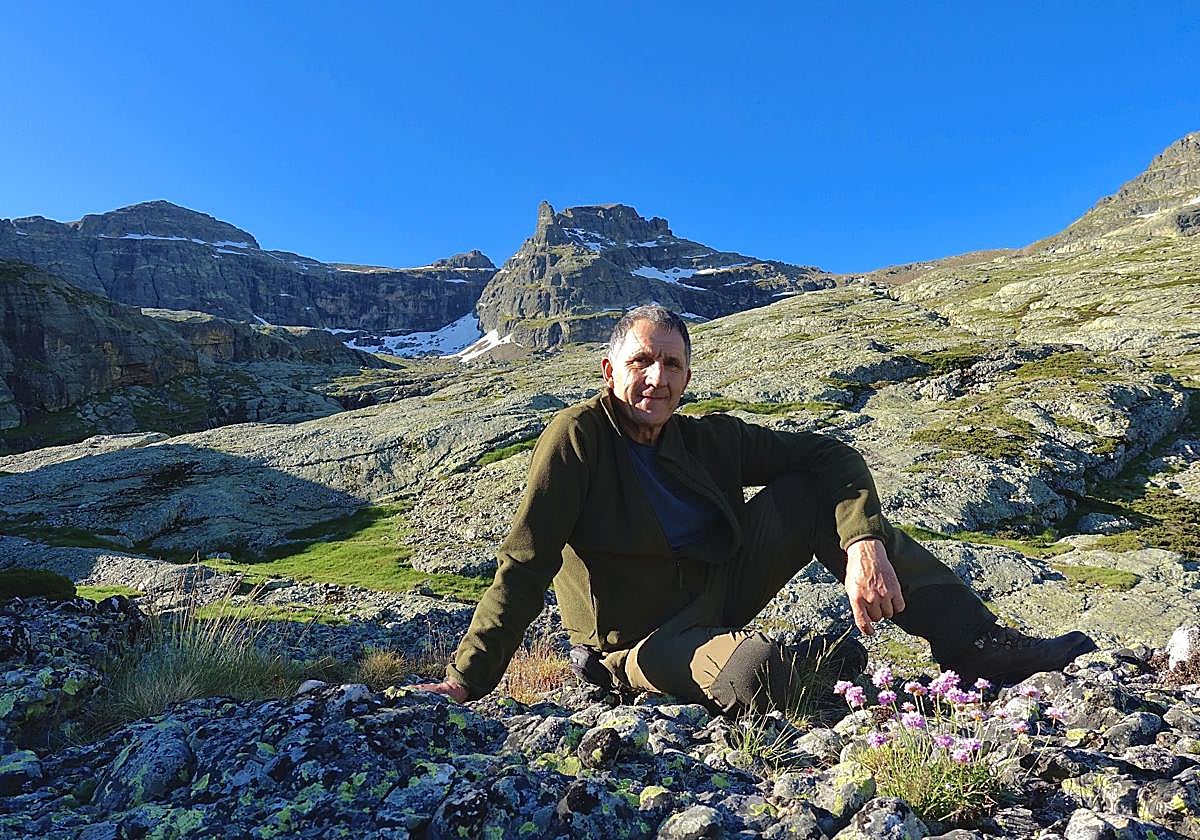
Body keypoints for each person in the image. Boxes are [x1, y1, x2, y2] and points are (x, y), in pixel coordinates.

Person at [416, 305, 1096, 714]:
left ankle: (976, 645)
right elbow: (523, 565)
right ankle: (815, 665)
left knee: (811, 494)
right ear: (609, 369)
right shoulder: (577, 439)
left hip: (718, 590)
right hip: (643, 643)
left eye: (673, 365)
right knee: (754, 676)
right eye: (642, 361)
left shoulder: (704, 439)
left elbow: (830, 455)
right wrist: (463, 683)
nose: (657, 379)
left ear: (688, 375)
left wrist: (863, 543)